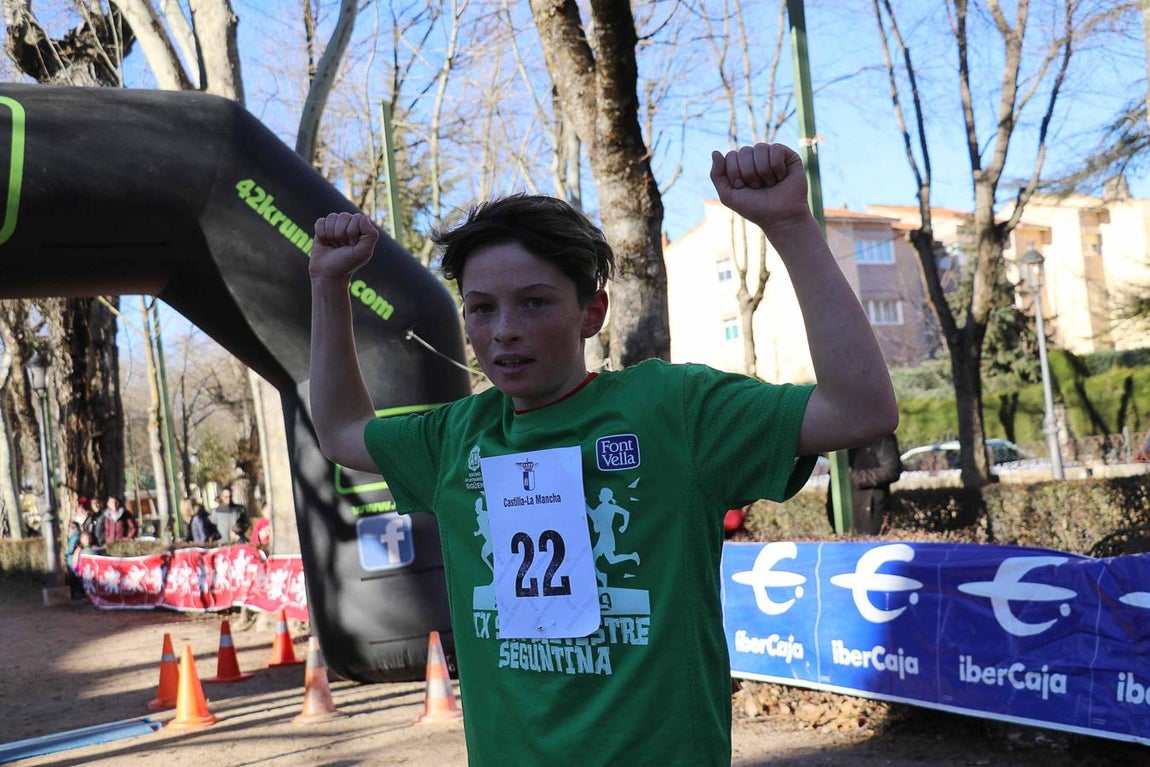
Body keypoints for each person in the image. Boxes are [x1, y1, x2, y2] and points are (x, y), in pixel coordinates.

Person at [307, 143, 897, 766]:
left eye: (533, 302)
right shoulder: (457, 437)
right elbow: (343, 429)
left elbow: (861, 409)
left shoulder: (674, 410)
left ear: (593, 312)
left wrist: (790, 225)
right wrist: (328, 282)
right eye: (482, 309)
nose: (503, 329)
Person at [825, 433, 903, 535]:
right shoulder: (839, 436)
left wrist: (854, 477)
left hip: (870, 512)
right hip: (841, 512)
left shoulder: (881, 436)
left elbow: (892, 470)